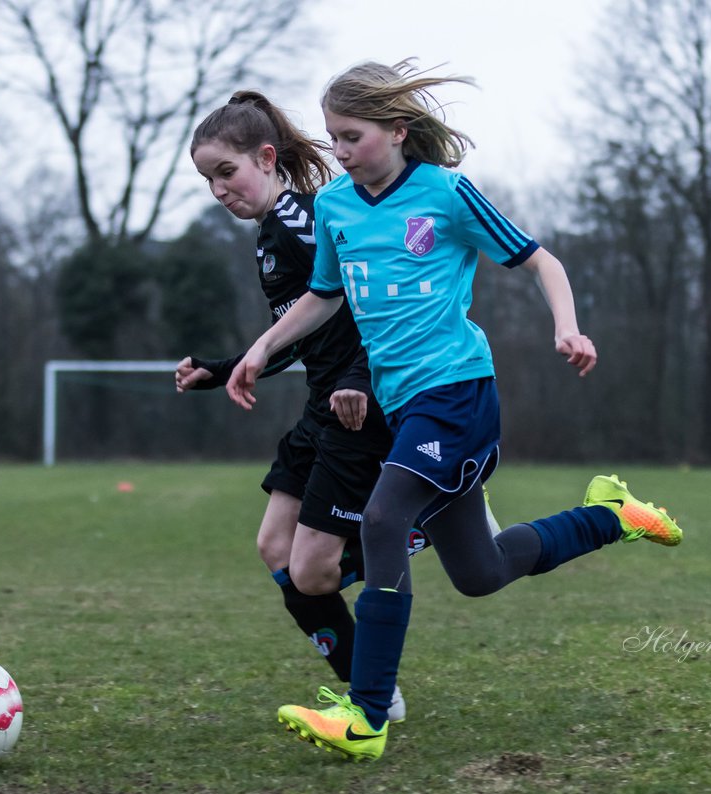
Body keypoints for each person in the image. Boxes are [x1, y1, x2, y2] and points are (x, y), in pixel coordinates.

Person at [225, 60, 682, 762]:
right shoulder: (336, 208)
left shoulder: (445, 193)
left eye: (352, 136)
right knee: (482, 572)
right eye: (332, 138)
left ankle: (368, 714)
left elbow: (542, 262)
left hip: (458, 393)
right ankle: (612, 515)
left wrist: (567, 326)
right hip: (405, 408)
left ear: (397, 131)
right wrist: (260, 349)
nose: (339, 152)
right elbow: (323, 298)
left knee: (383, 519)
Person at [179, 91, 497, 724]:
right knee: (276, 549)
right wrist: (226, 368)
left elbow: (365, 306)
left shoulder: (304, 217)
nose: (219, 190)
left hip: (357, 405)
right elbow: (300, 329)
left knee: (314, 569)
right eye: (208, 180)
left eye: (226, 172)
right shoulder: (274, 230)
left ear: (266, 159)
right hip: (319, 407)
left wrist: (356, 376)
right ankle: (368, 686)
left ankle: (428, 521)